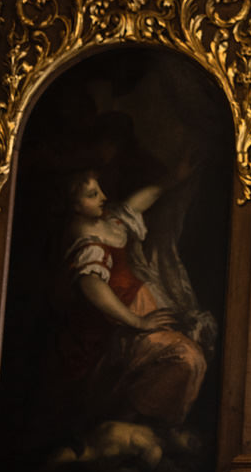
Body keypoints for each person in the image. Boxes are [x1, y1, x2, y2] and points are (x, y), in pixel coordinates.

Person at [59, 166, 209, 431]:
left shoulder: (107, 221)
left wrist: (172, 178)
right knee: (187, 358)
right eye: (93, 195)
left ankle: (146, 426)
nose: (103, 197)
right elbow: (92, 285)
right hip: (122, 322)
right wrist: (138, 322)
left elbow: (135, 204)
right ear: (75, 206)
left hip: (141, 304)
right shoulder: (86, 244)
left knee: (192, 345)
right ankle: (132, 422)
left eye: (100, 190)